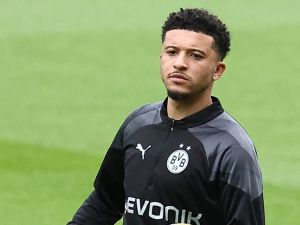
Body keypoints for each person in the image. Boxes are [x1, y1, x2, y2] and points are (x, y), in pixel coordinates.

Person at [67, 8, 265, 225]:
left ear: (217, 70)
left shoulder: (231, 149)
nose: (180, 63)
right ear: (161, 57)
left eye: (195, 55)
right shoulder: (138, 124)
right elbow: (105, 201)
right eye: (172, 52)